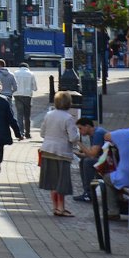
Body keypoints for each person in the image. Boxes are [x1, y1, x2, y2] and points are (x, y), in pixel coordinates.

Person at [38, 89, 79, 217]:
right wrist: (77, 134)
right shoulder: (68, 118)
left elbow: (42, 133)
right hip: (62, 153)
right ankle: (61, 208)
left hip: (47, 150)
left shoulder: (48, 115)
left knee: (53, 181)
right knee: (62, 181)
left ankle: (55, 207)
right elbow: (73, 138)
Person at [73, 117, 107, 202]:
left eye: (80, 128)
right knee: (83, 161)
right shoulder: (93, 134)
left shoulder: (98, 133)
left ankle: (89, 193)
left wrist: (79, 143)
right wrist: (79, 154)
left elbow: (92, 154)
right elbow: (94, 153)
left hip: (109, 161)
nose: (80, 131)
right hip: (103, 158)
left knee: (87, 162)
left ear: (87, 126)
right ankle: (87, 192)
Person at [13, 62, 38, 138]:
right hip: (27, 95)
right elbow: (35, 88)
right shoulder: (31, 74)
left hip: (17, 95)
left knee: (19, 114)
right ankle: (28, 133)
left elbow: (13, 85)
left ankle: (21, 132)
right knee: (27, 115)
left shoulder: (15, 73)